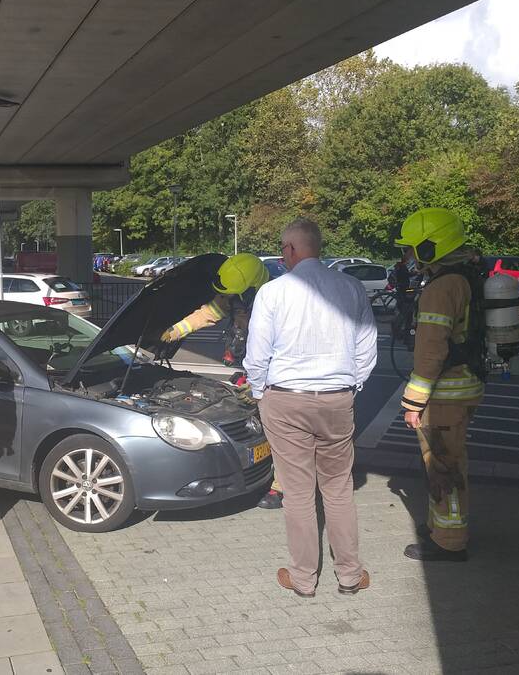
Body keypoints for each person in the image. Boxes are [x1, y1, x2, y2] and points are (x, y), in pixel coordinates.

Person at [243, 219, 377, 597]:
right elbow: (366, 349)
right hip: (337, 397)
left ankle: (303, 579)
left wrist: (260, 393)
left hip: (286, 399)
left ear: (289, 250)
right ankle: (350, 575)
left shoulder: (272, 293)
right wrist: (350, 387)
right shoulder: (350, 288)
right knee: (338, 489)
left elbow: (257, 356)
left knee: (298, 493)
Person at [158, 253, 285, 508]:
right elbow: (209, 312)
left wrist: (261, 383)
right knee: (259, 422)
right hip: (254, 362)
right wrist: (175, 330)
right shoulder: (236, 292)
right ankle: (259, 468)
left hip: (278, 369)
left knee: (281, 428)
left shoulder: (282, 298)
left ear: (253, 286)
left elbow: (284, 347)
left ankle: (281, 486)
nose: (232, 300)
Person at [394, 208, 484, 562]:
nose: (409, 256)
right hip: (464, 386)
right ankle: (440, 526)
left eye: (413, 248)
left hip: (445, 394)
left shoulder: (442, 286)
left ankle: (449, 541)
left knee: (443, 465)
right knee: (447, 460)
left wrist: (413, 403)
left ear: (431, 248)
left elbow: (431, 350)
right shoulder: (465, 277)